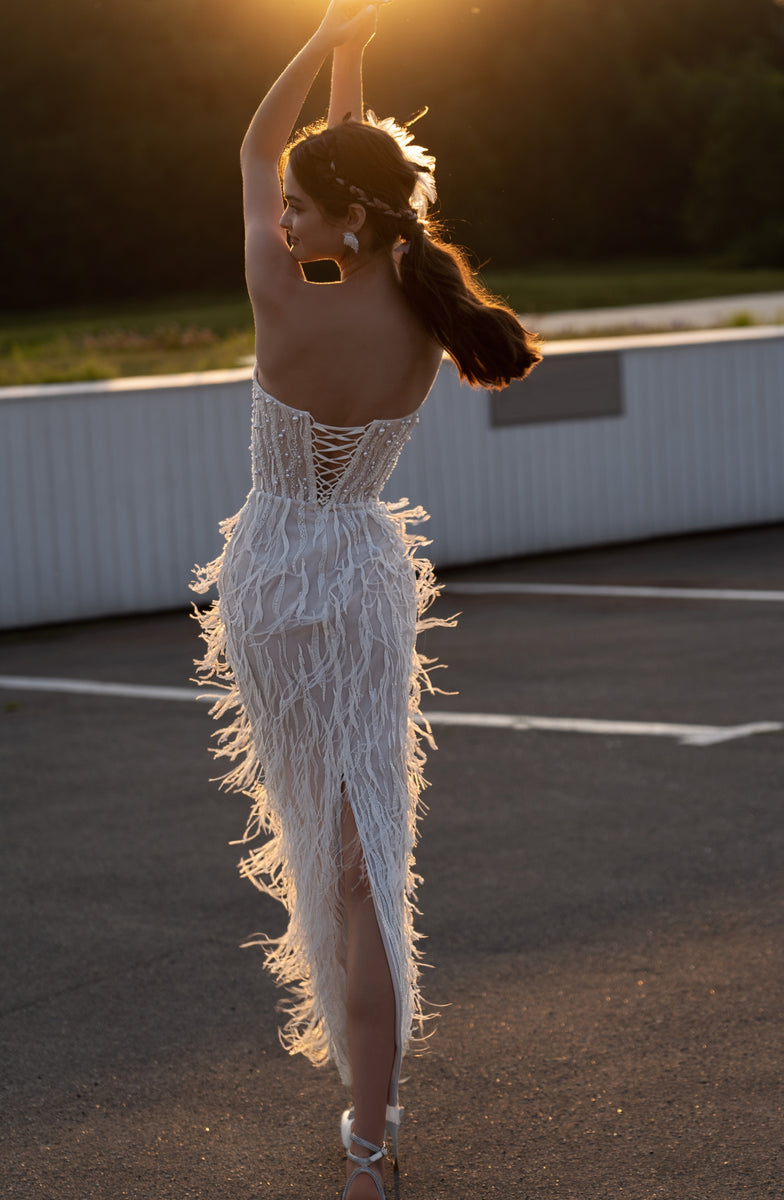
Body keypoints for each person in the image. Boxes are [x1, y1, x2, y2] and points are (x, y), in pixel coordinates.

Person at [192, 3, 541, 1197]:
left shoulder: (283, 297)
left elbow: (253, 147)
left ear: (344, 216)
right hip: (361, 576)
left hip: (272, 577)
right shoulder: (420, 305)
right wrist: (352, 60)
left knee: (318, 847)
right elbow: (329, 172)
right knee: (364, 854)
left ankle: (368, 1120)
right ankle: (368, 1128)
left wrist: (323, 36)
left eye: (302, 206)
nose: (283, 217)